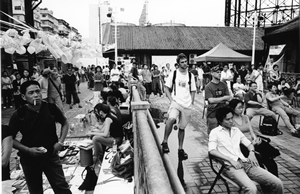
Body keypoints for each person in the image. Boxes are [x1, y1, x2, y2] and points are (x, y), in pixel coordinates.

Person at [9, 80, 71, 194]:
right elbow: (9, 139)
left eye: (38, 91)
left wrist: (60, 142)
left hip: (51, 155)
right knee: (35, 190)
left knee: (61, 187)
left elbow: (65, 123)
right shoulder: (19, 114)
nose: (36, 95)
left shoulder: (51, 108)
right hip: (29, 159)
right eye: (31, 93)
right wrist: (28, 150)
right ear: (23, 96)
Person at [208, 106, 284, 194]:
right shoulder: (215, 132)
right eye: (227, 119)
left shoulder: (236, 130)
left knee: (277, 183)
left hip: (246, 163)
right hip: (230, 167)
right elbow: (212, 151)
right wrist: (230, 160)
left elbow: (249, 144)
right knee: (251, 189)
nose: (231, 121)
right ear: (220, 121)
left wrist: (252, 153)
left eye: (232, 118)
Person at [161, 53, 196, 160]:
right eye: (182, 62)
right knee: (171, 119)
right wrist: (171, 100)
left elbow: (193, 90)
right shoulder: (174, 73)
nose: (185, 64)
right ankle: (165, 141)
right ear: (178, 63)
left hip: (187, 104)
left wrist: (192, 102)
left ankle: (180, 149)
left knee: (182, 127)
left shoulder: (191, 75)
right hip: (176, 102)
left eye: (186, 62)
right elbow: (166, 88)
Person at [205, 65, 232, 134]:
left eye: (220, 72)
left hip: (223, 112)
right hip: (212, 113)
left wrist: (217, 100)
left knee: (224, 132)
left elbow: (229, 97)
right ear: (212, 73)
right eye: (217, 72)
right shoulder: (208, 86)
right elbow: (211, 100)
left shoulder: (224, 85)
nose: (219, 73)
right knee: (213, 133)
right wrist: (223, 98)